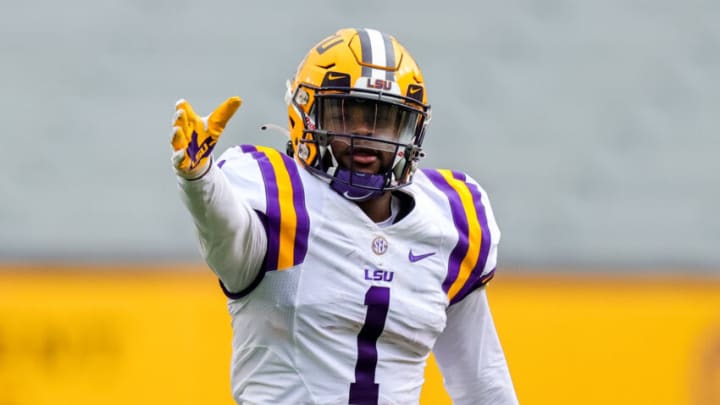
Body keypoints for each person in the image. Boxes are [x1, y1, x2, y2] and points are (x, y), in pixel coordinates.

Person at [170, 27, 518, 405]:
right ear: (307, 114)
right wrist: (199, 177)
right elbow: (225, 234)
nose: (365, 134)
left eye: (384, 118)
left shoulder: (449, 220)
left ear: (411, 128)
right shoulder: (279, 199)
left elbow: (482, 382)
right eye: (346, 114)